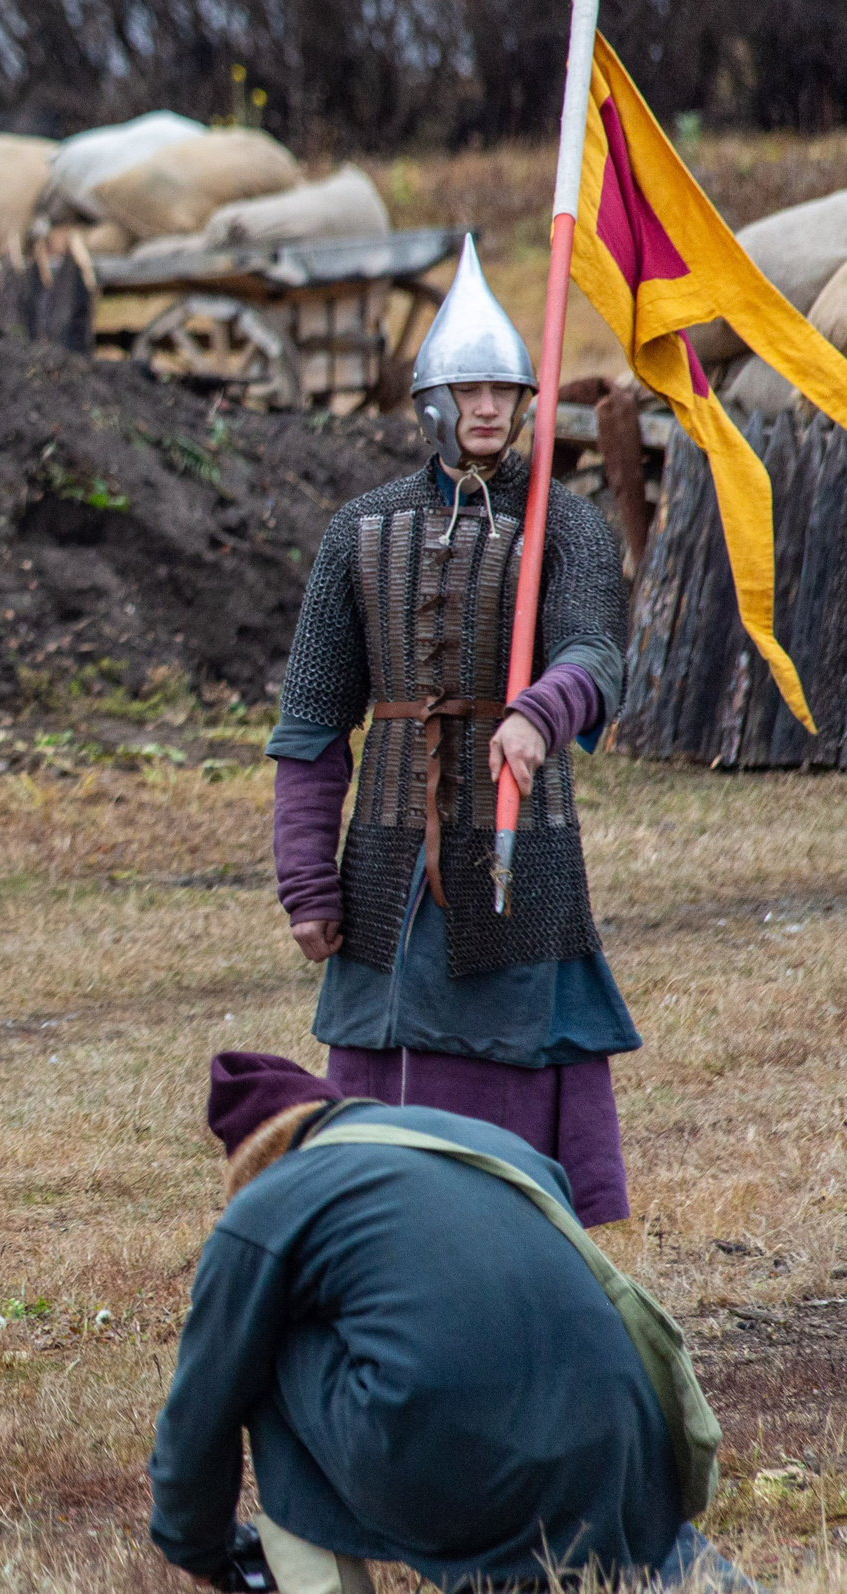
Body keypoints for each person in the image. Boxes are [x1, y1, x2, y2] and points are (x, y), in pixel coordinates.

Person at [266, 238, 637, 1226]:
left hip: (521, 846)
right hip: (386, 858)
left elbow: (595, 656)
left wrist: (538, 711)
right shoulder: (359, 530)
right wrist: (306, 881)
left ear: (524, 404)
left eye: (503, 390)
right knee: (380, 1139)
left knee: (511, 1124)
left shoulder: (566, 524)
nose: (485, 408)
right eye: (467, 389)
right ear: (429, 401)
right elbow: (310, 726)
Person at [150, 1052, 742, 1594]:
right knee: (633, 1563)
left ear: (257, 1163)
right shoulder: (482, 1142)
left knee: (264, 1331)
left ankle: (311, 1582)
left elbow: (203, 1405)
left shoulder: (268, 1203)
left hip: (466, 1468)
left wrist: (198, 1548)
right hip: (625, 1439)